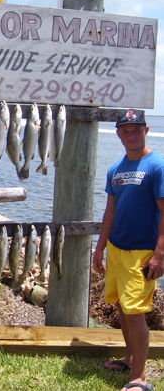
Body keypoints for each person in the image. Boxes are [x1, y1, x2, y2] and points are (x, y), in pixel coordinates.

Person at [93, 110, 164, 391]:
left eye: (136, 130)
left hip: (142, 252)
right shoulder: (115, 169)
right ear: (118, 133)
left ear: (146, 130)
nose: (131, 135)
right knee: (122, 306)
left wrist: (159, 254)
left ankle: (139, 378)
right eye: (125, 130)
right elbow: (110, 212)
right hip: (116, 249)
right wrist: (99, 248)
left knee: (136, 313)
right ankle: (130, 357)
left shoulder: (157, 166)